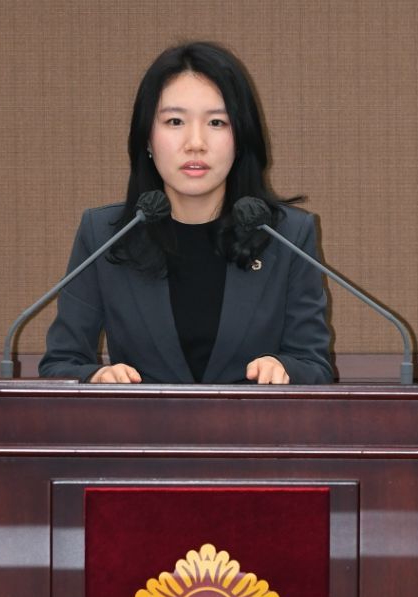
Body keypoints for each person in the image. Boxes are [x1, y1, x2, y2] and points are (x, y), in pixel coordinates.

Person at [39, 42, 333, 385]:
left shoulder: (287, 236)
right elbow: (61, 363)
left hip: (251, 420)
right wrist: (97, 377)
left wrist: (284, 368)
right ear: (147, 138)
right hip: (140, 421)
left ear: (241, 137)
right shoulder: (104, 234)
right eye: (175, 121)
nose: (195, 143)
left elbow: (315, 366)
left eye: (217, 122)